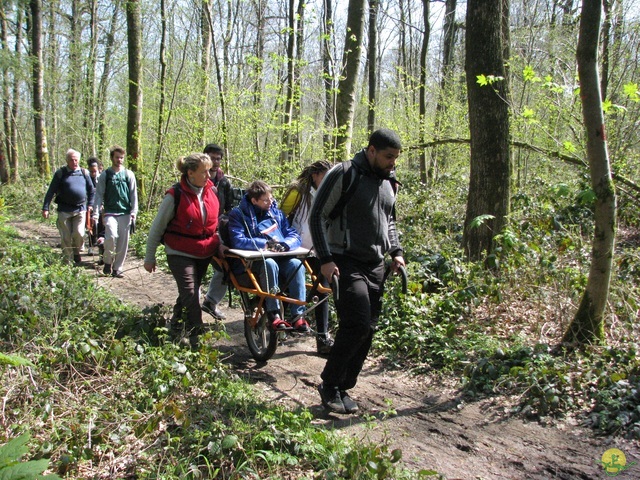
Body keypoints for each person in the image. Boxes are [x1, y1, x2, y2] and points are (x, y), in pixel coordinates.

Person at [309, 128, 405, 414]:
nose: (393, 162)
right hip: (343, 261)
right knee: (357, 324)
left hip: (376, 264)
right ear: (372, 150)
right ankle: (329, 384)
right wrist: (326, 259)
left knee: (369, 328)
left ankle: (343, 386)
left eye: (396, 158)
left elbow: (389, 221)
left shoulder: (389, 181)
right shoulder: (343, 173)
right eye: (388, 157)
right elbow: (317, 215)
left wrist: (397, 253)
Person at [144, 153, 220, 351]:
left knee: (188, 294)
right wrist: (149, 256)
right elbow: (157, 227)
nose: (208, 176)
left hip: (204, 253)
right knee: (191, 294)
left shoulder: (211, 192)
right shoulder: (174, 195)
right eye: (204, 172)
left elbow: (215, 223)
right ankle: (197, 340)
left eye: (209, 171)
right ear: (190, 173)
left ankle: (175, 327)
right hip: (179, 252)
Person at [228, 180, 310, 332]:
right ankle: (274, 314)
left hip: (281, 259)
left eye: (271, 198)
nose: (270, 202)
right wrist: (265, 244)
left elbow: (292, 234)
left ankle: (298, 316)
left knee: (295, 264)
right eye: (265, 200)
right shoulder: (238, 215)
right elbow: (237, 240)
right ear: (254, 200)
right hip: (251, 265)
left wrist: (286, 244)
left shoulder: (276, 213)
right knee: (270, 263)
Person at [281, 160, 334, 354]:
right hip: (296, 248)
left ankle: (322, 338)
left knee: (323, 291)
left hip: (320, 249)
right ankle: (282, 323)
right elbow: (280, 216)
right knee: (288, 287)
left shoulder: (331, 192)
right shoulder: (298, 191)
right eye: (325, 176)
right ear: (315, 175)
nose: (329, 180)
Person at [41, 148, 95, 264]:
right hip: (64, 210)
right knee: (65, 237)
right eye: (72, 160)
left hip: (80, 209)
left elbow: (91, 190)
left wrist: (90, 204)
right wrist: (45, 207)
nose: (74, 162)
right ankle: (68, 261)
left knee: (79, 233)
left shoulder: (84, 173)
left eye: (76, 160)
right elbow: (51, 191)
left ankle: (76, 252)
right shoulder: (61, 173)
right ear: (67, 160)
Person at [92, 145, 138, 278]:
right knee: (111, 236)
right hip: (110, 212)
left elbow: (133, 195)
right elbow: (99, 195)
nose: (119, 160)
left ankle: (117, 268)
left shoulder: (129, 174)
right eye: (117, 157)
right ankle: (107, 261)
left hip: (125, 212)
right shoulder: (105, 175)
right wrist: (95, 214)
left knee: (123, 241)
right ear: (112, 158)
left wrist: (134, 212)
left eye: (121, 158)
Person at [201, 143, 234, 320]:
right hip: (199, 232)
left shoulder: (224, 182)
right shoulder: (197, 179)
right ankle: (186, 310)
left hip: (217, 232)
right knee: (195, 269)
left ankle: (210, 302)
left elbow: (229, 208)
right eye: (212, 158)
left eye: (218, 159)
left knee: (224, 268)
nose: (215, 162)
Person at [86, 157, 105, 257]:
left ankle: (101, 251)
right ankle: (90, 246)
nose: (93, 173)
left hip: (101, 207)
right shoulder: (87, 178)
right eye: (91, 171)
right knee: (91, 227)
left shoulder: (102, 178)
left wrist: (102, 205)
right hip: (90, 207)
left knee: (102, 228)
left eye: (95, 171)